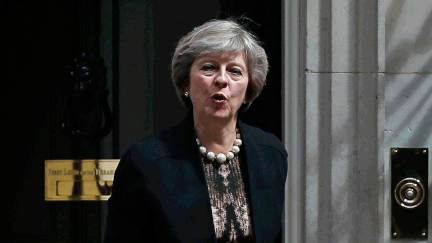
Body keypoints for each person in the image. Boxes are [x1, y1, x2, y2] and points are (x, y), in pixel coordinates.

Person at [104, 19, 287, 243]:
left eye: (235, 71)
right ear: (185, 84)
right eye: (209, 67)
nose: (221, 79)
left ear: (249, 89)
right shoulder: (147, 161)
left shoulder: (270, 154)